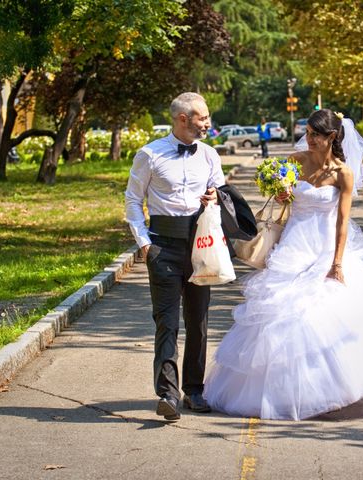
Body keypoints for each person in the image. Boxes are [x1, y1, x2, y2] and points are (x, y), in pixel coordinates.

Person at [203, 109, 363, 420]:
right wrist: (282, 192)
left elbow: (342, 221)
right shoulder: (296, 160)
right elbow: (281, 200)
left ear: (332, 137)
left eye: (316, 135)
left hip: (325, 244)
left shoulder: (343, 173)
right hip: (295, 242)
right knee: (283, 312)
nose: (309, 139)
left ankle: (331, 387)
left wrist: (337, 263)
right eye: (308, 133)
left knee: (325, 313)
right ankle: (282, 389)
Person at [125, 92, 225, 421]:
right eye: (202, 117)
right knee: (167, 323)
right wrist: (144, 244)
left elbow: (221, 194)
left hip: (200, 246)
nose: (207, 123)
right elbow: (132, 201)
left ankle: (194, 391)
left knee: (198, 322)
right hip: (163, 247)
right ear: (183, 118)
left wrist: (214, 197)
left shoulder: (210, 155)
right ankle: (168, 393)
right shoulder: (149, 155)